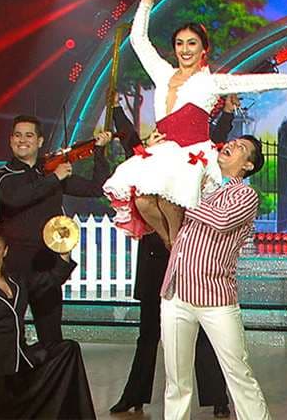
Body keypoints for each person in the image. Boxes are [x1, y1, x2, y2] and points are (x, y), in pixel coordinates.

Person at [103, 0, 287, 248]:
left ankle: (178, 247)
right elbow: (138, 41)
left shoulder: (210, 82)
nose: (185, 49)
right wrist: (147, 0)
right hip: (162, 152)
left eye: (192, 43)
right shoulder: (162, 74)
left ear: (204, 49)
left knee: (168, 199)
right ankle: (172, 245)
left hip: (190, 154)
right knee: (143, 200)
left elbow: (254, 82)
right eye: (180, 43)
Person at [109, 101, 234, 417]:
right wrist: (116, 110)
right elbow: (129, 140)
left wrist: (229, 114)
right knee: (149, 332)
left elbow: (216, 139)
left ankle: (217, 397)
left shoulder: (193, 155)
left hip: (190, 257)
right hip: (155, 258)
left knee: (201, 329)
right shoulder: (151, 153)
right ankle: (134, 395)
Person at [160, 133, 271, 420]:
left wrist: (183, 195)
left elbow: (221, 221)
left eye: (241, 147)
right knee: (176, 381)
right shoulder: (200, 184)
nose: (231, 145)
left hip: (215, 297)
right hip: (175, 293)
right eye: (232, 142)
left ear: (247, 165)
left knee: (238, 373)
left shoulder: (244, 195)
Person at [0, 114, 112, 343]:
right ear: (11, 140)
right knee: (8, 337)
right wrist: (55, 178)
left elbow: (96, 188)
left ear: (40, 141)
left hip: (47, 268)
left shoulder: (50, 172)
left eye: (29, 136)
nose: (22, 140)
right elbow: (18, 198)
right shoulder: (3, 177)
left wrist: (100, 151)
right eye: (17, 135)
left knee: (52, 338)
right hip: (13, 269)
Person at [0, 225, 96, 419]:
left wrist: (64, 251)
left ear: (5, 251)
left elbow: (52, 279)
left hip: (22, 361)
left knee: (68, 349)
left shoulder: (17, 281)